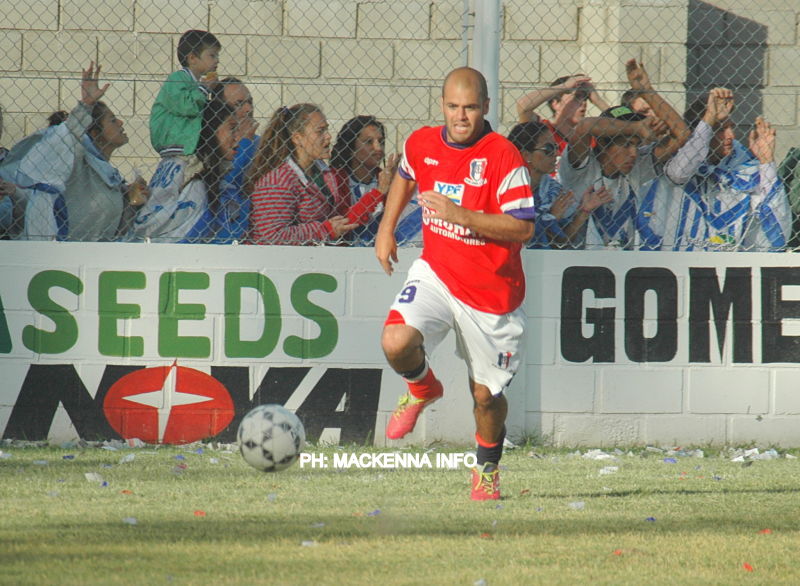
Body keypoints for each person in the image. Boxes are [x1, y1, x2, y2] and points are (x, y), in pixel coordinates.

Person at [375, 67, 534, 500]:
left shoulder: (503, 156)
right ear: (442, 104)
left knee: (485, 396)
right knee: (395, 341)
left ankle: (487, 469)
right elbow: (406, 174)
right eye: (452, 106)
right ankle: (422, 386)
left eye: (469, 108)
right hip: (437, 274)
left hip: (490, 297)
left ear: (485, 108)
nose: (460, 116)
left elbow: (523, 228)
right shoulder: (422, 142)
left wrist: (459, 214)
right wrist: (386, 228)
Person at [559, 59, 689, 249]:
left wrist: (647, 91)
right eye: (626, 145)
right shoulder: (581, 167)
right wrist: (636, 127)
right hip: (578, 264)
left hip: (621, 268)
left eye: (636, 145)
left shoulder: (636, 168)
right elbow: (585, 127)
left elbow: (683, 134)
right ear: (603, 144)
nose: (633, 153)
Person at [638, 89, 790, 251]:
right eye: (720, 129)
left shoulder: (743, 164)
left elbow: (777, 226)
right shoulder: (679, 160)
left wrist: (766, 161)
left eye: (731, 127)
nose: (730, 135)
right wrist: (710, 116)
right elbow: (680, 172)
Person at [15, 62, 146, 241]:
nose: (121, 123)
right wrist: (86, 105)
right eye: (113, 120)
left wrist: (128, 196)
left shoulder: (107, 173)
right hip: (57, 255)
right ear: (94, 132)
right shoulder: (75, 160)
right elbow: (66, 138)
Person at [246, 103, 366, 245]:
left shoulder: (323, 175)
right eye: (320, 131)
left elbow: (339, 220)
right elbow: (272, 236)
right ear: (297, 138)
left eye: (327, 130)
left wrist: (377, 193)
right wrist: (324, 230)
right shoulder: (278, 181)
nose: (328, 136)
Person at [131, 98, 240, 242]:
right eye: (232, 129)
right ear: (210, 129)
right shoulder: (194, 179)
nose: (238, 138)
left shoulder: (178, 162)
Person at [507, 121, 611, 248]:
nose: (556, 154)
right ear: (526, 155)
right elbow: (515, 233)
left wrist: (584, 211)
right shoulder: (505, 187)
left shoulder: (553, 191)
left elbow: (561, 243)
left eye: (556, 147)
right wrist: (550, 218)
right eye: (548, 149)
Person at [329, 116, 402, 244]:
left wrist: (397, 185)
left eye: (381, 141)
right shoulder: (336, 178)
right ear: (350, 147)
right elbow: (346, 223)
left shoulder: (384, 178)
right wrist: (379, 192)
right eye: (368, 142)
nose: (378, 148)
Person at [515, 74, 610, 166]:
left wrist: (597, 100)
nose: (583, 103)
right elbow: (523, 107)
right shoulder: (543, 129)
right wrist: (564, 87)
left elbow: (620, 125)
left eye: (586, 98)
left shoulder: (588, 138)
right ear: (555, 104)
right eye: (577, 97)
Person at [211, 77, 259, 243]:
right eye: (239, 104)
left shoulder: (261, 143)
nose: (248, 109)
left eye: (250, 102)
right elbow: (225, 182)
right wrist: (244, 143)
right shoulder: (210, 145)